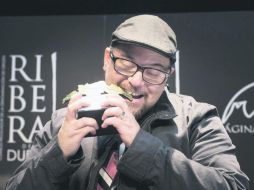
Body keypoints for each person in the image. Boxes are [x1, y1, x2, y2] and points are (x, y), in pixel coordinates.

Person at [5, 14, 249, 190]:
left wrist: (141, 145)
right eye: (126, 63)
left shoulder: (196, 119)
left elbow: (232, 185)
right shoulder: (63, 121)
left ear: (168, 76)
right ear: (106, 60)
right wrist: (59, 154)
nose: (135, 81)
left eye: (153, 71)